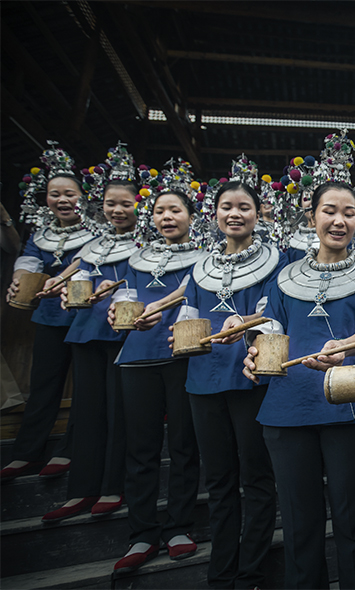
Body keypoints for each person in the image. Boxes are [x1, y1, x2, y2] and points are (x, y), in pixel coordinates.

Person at [242, 180, 355, 588]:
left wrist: (346, 347)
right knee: (299, 521)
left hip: (347, 403)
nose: (339, 221)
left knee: (352, 516)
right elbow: (269, 329)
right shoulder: (284, 278)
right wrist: (254, 352)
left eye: (349, 212)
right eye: (329, 211)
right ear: (312, 217)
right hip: (286, 411)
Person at [172, 166, 287, 589]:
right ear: (214, 214)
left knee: (256, 477)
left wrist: (248, 322)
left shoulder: (279, 262)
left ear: (259, 213)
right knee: (219, 480)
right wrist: (178, 333)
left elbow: (274, 312)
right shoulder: (201, 267)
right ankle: (220, 573)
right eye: (226, 207)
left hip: (249, 380)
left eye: (244, 207)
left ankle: (250, 571)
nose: (234, 214)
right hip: (202, 382)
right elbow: (188, 314)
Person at [108, 161, 204, 575]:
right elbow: (126, 299)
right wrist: (116, 311)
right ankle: (142, 531)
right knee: (141, 449)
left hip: (182, 358)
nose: (167, 217)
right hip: (136, 358)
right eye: (160, 212)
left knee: (183, 446)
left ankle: (180, 526)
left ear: (191, 217)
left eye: (176, 211)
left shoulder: (205, 260)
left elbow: (194, 298)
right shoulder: (136, 259)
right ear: (152, 218)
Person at [43, 144, 141, 522]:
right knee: (85, 412)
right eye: (109, 204)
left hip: (123, 334)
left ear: (138, 206)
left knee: (119, 414)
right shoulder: (93, 243)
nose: (117, 210)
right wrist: (67, 287)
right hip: (86, 331)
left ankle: (112, 487)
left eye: (125, 204)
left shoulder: (147, 244)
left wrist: (117, 291)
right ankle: (80, 490)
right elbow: (81, 271)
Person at [2, 145, 93, 481]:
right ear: (47, 199)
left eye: (70, 193)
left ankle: (69, 450)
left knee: (85, 389)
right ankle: (26, 453)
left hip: (87, 318)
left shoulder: (98, 232)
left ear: (84, 197)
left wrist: (61, 277)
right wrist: (18, 281)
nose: (63, 200)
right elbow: (27, 260)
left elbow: (91, 259)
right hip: (50, 317)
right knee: (43, 385)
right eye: (55, 194)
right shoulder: (42, 234)